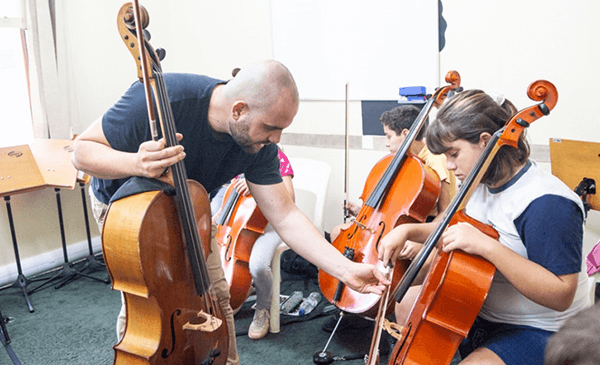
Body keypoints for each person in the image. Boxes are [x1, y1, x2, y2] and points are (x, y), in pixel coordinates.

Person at [71, 60, 388, 365]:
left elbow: (285, 215)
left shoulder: (259, 146)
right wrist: (136, 164)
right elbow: (82, 151)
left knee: (215, 297)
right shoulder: (161, 98)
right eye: (271, 128)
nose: (275, 140)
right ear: (238, 110)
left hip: (190, 208)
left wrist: (345, 270)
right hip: (132, 212)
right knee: (150, 301)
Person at [379, 89, 588, 365]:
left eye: (454, 154)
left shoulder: (546, 202)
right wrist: (406, 231)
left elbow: (561, 294)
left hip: (543, 328)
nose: (450, 166)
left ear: (485, 141)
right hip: (483, 309)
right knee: (405, 300)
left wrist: (487, 246)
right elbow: (447, 224)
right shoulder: (480, 181)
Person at [322, 105, 457, 333]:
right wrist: (366, 211)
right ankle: (349, 305)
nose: (386, 143)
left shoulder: (435, 161)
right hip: (396, 229)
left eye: (388, 136)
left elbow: (447, 211)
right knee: (338, 233)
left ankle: (386, 313)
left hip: (428, 234)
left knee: (409, 261)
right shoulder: (402, 160)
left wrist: (418, 241)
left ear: (406, 134)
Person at [211, 148, 295, 340]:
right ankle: (237, 290)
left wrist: (259, 186)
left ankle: (263, 308)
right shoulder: (234, 156)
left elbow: (290, 199)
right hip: (237, 225)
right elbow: (224, 197)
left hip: (268, 225)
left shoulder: (275, 156)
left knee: (258, 266)